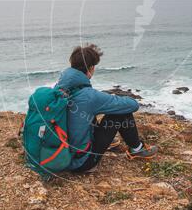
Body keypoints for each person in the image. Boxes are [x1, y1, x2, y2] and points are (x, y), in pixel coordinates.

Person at [55, 43, 157, 173]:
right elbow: (133, 105)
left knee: (83, 114)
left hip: (61, 154)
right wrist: (114, 98)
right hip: (81, 162)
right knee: (120, 113)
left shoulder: (59, 88)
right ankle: (138, 149)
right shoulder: (89, 96)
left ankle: (108, 142)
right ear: (91, 68)